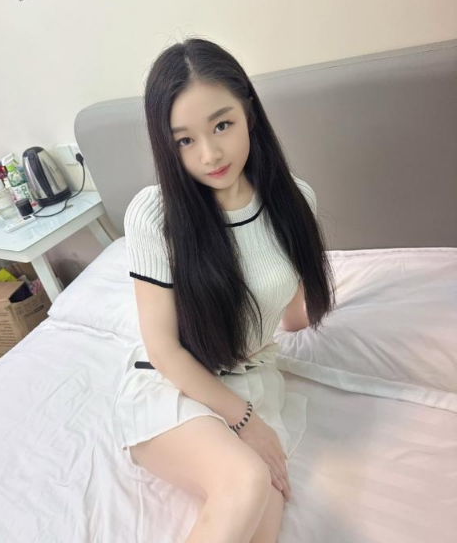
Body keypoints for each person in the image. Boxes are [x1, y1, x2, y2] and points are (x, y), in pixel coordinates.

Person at [111, 36, 336, 543]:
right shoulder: (154, 215)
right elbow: (163, 349)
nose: (209, 154)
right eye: (184, 140)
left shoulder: (294, 200)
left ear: (248, 113)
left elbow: (291, 316)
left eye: (222, 125)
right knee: (248, 480)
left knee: (265, 521)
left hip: (252, 380)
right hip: (173, 384)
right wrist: (247, 421)